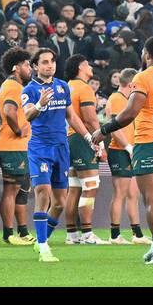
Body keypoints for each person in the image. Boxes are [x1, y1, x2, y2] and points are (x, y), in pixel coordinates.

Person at [93, 36, 153, 265]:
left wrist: (104, 130)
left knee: (151, 198)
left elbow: (130, 112)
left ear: (146, 54)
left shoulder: (143, 77)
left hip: (149, 141)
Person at [22, 46, 99, 263]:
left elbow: (72, 116)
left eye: (52, 61)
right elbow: (28, 114)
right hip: (40, 148)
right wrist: (39, 104)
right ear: (35, 66)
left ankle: (41, 240)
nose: (50, 65)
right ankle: (44, 247)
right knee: (43, 193)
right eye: (44, 62)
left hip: (61, 148)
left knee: (59, 203)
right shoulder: (29, 90)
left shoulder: (63, 87)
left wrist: (88, 138)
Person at [0, 48, 36, 245]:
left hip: (20, 146)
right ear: (16, 67)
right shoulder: (12, 86)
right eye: (27, 65)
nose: (30, 68)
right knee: (11, 189)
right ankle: (8, 234)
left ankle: (23, 231)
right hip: (11, 145)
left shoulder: (18, 87)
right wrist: (19, 131)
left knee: (22, 190)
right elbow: (9, 111)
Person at [62, 55, 105, 244]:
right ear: (80, 67)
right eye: (88, 64)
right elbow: (90, 119)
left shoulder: (65, 86)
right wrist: (100, 141)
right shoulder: (84, 88)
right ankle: (87, 234)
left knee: (74, 188)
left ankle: (72, 235)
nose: (90, 67)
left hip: (68, 139)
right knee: (90, 185)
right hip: (82, 139)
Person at [104, 68, 147, 245]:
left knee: (133, 194)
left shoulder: (129, 100)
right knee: (120, 193)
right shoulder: (116, 98)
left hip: (131, 149)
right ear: (131, 84)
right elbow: (114, 127)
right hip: (119, 150)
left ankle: (136, 234)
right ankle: (114, 234)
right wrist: (127, 146)